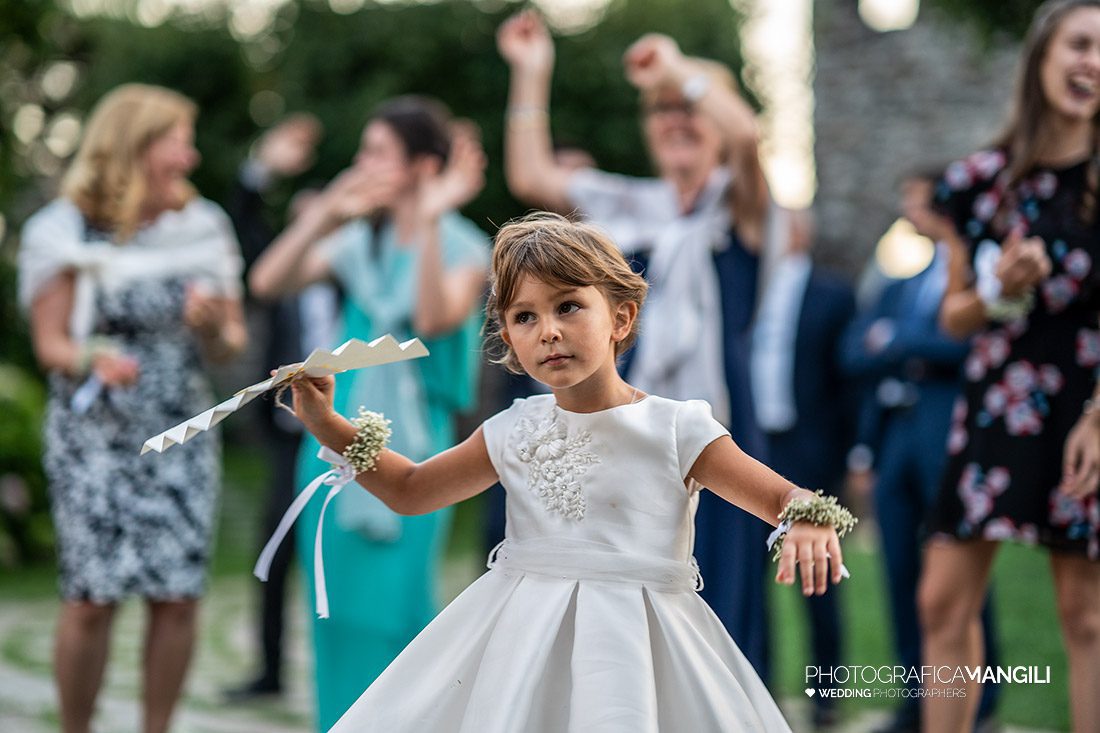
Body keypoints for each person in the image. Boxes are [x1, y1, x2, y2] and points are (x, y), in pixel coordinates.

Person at [285, 212, 853, 732]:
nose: (548, 330)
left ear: (621, 317)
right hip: (520, 640)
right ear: (508, 337)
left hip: (637, 647)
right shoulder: (511, 429)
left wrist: (808, 520)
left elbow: (783, 496)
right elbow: (410, 489)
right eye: (525, 317)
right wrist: (327, 422)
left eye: (568, 306)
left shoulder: (677, 427)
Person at [498, 9, 774, 677]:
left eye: (688, 109)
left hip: (717, 423)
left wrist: (678, 72)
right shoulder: (627, 209)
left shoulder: (740, 204)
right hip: (629, 418)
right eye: (658, 112)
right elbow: (531, 176)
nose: (674, 120)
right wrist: (532, 73)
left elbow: (747, 136)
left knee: (720, 598)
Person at [248, 95, 489, 729]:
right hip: (329, 438)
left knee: (398, 613)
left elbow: (436, 318)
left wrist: (432, 215)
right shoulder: (359, 242)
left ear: (421, 166)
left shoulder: (464, 245)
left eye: (377, 152)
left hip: (416, 451)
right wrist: (327, 208)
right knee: (336, 612)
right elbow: (268, 281)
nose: (363, 163)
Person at [17, 83, 247, 733]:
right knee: (91, 597)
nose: (190, 156)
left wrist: (208, 325)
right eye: (177, 140)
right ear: (134, 146)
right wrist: (90, 356)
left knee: (176, 595)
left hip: (182, 429)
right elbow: (51, 341)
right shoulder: (63, 230)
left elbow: (232, 342)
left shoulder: (202, 227)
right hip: (95, 433)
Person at [918, 2, 1100, 730]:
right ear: (1042, 56)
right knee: (941, 600)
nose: (1094, 63)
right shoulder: (978, 181)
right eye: (1082, 44)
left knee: (1084, 612)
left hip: (1087, 405)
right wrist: (1002, 289)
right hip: (999, 399)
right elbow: (953, 313)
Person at [841, 169, 1002, 733]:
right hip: (897, 442)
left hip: (953, 439)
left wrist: (901, 342)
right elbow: (856, 354)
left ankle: (979, 703)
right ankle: (918, 701)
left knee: (960, 577)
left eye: (915, 199)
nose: (907, 210)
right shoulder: (904, 283)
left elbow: (969, 342)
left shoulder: (978, 269)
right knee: (902, 573)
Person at [224, 113, 323, 700]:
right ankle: (269, 672)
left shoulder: (356, 275)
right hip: (291, 431)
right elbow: (243, 223)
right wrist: (263, 167)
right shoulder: (284, 277)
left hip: (361, 427)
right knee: (277, 543)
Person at [751, 208, 855, 728]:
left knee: (819, 573)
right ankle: (756, 683)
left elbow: (848, 380)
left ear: (799, 232)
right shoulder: (746, 288)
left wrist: (852, 455)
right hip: (748, 448)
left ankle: (826, 693)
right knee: (750, 577)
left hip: (810, 450)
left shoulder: (833, 295)